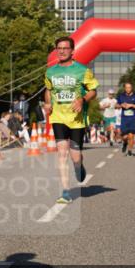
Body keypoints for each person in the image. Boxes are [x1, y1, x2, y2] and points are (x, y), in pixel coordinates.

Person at [42, 36, 99, 203]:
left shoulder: (82, 70)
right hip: (58, 116)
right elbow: (48, 90)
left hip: (76, 118)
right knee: (61, 153)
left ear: (72, 51)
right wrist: (48, 103)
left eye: (65, 48)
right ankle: (66, 192)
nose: (61, 51)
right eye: (59, 48)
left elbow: (93, 91)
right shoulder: (50, 71)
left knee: (75, 156)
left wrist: (82, 99)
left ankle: (78, 165)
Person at [116, 82, 135, 156]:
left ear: (132, 88)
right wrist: (121, 105)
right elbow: (116, 105)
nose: (128, 89)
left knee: (131, 135)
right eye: (126, 87)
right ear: (124, 88)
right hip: (124, 119)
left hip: (133, 119)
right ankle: (125, 143)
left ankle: (130, 151)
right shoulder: (121, 96)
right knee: (124, 137)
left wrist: (131, 105)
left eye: (129, 87)